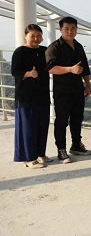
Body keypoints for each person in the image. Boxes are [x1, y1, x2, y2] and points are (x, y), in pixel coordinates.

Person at [46, 16, 91, 163]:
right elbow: (51, 68)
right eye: (67, 29)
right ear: (60, 29)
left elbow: (85, 68)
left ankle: (76, 145)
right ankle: (61, 150)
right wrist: (70, 69)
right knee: (61, 121)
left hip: (78, 89)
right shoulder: (54, 47)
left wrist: (88, 85)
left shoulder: (78, 46)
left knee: (77, 119)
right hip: (62, 91)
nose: (70, 31)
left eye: (73, 29)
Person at [12, 24, 51, 168]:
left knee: (42, 126)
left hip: (43, 94)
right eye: (32, 36)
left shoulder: (44, 50)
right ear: (25, 36)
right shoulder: (19, 52)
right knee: (28, 128)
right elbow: (15, 71)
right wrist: (29, 73)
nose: (36, 39)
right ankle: (29, 158)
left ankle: (40, 154)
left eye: (39, 36)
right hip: (26, 97)